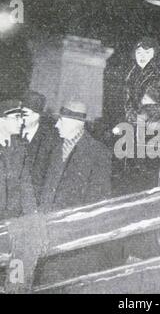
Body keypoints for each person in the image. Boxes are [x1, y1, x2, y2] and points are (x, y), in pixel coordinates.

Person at [35, 100, 125, 286]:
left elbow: (97, 197)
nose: (56, 124)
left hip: (73, 235)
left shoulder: (98, 152)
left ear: (77, 123)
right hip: (48, 229)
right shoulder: (53, 145)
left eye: (62, 121)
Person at [4, 91, 60, 206]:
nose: (20, 119)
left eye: (24, 115)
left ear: (37, 115)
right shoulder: (10, 133)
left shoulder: (50, 140)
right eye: (18, 115)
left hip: (34, 201)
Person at [0, 100, 37, 220]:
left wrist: (32, 217)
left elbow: (26, 186)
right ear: (1, 119)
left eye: (21, 117)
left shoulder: (20, 149)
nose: (21, 122)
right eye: (16, 117)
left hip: (13, 219)